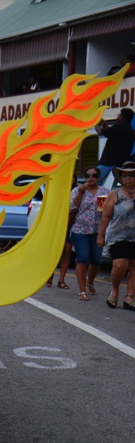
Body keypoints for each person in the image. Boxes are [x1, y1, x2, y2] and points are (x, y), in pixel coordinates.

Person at [98, 161, 135, 310]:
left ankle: (129, 297)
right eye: (125, 176)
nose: (128, 178)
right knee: (120, 265)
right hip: (118, 236)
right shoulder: (114, 195)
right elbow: (105, 217)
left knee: (133, 267)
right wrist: (100, 236)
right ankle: (115, 289)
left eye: (132, 176)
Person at [69, 166, 108, 301]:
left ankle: (90, 281)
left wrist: (102, 233)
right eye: (87, 175)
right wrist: (81, 191)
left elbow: (103, 212)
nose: (90, 178)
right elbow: (73, 207)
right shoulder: (77, 190)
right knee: (83, 258)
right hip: (80, 230)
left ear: (98, 178)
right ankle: (82, 291)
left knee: (96, 260)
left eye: (94, 175)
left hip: (96, 231)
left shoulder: (103, 192)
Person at [46, 176, 78, 290]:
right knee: (55, 251)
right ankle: (49, 275)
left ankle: (61, 280)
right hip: (57, 223)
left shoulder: (78, 191)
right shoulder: (56, 190)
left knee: (67, 251)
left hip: (71, 224)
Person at [96, 108, 135, 183]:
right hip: (121, 162)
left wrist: (96, 123)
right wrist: (105, 126)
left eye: (119, 115)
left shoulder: (118, 127)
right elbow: (112, 133)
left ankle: (96, 194)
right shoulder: (130, 130)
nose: (118, 116)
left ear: (122, 117)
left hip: (109, 161)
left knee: (96, 178)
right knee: (119, 182)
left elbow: (100, 132)